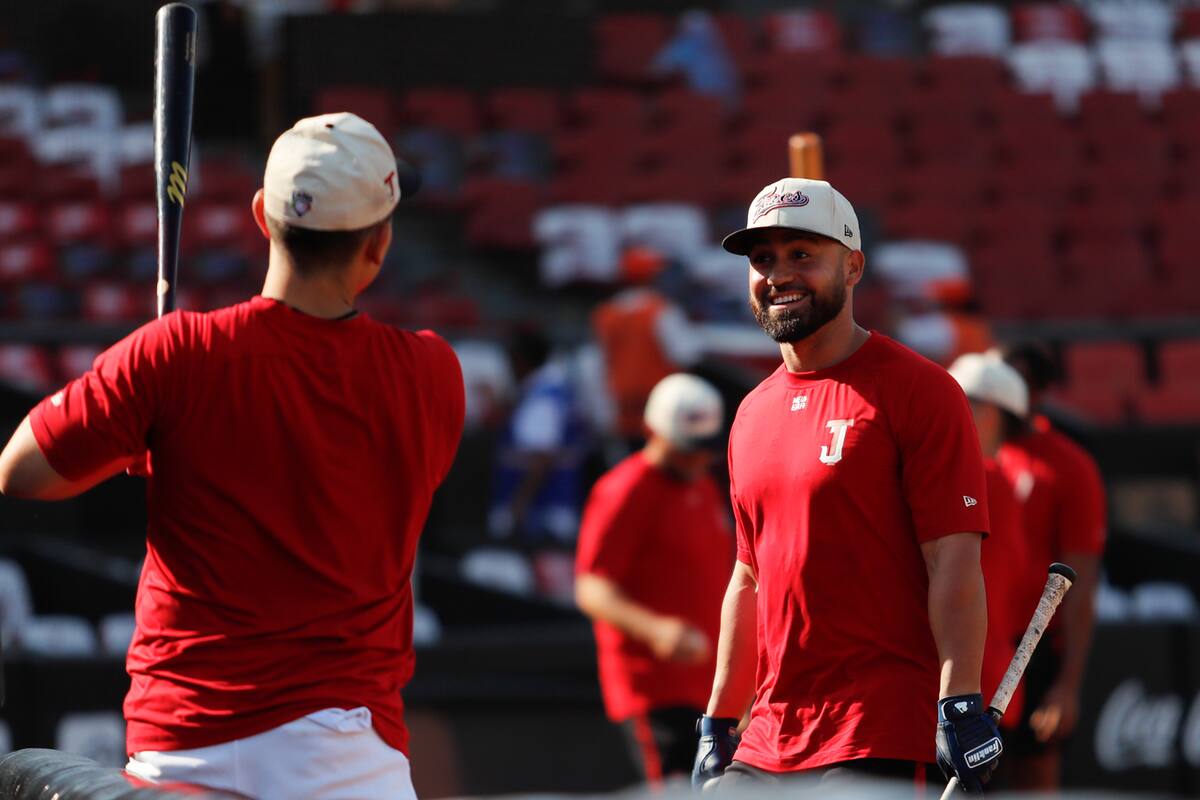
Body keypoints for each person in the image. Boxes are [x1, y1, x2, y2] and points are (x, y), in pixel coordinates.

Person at [0, 112, 464, 799]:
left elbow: (21, 472)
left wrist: (146, 417)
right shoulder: (432, 371)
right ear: (379, 245)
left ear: (260, 217)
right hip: (353, 762)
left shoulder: (178, 355)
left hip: (188, 754)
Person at [692, 178, 1000, 793]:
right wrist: (719, 719)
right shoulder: (750, 413)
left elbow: (954, 557)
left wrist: (961, 699)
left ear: (853, 265)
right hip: (769, 734)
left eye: (802, 254)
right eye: (763, 259)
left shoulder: (921, 390)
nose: (779, 273)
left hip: (876, 726)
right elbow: (748, 577)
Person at [574, 373, 733, 785]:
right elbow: (591, 586)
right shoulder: (625, 490)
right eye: (686, 450)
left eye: (703, 450)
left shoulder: (703, 486)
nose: (697, 460)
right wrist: (656, 629)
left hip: (709, 687)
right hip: (655, 688)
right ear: (654, 432)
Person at [994, 343, 1106, 791]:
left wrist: (1067, 686)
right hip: (974, 643)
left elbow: (1082, 582)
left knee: (1033, 777)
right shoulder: (969, 454)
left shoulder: (1070, 467)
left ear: (1039, 392)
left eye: (1018, 382)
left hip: (1033, 649)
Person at [947, 352, 1033, 729]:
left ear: (990, 414)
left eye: (962, 401)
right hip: (983, 683)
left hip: (963, 689)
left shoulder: (982, 479)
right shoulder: (1000, 481)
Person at [488, 325, 588, 545]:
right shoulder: (553, 387)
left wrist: (517, 508)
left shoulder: (542, 398)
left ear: (522, 360)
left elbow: (541, 457)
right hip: (552, 512)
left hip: (541, 518)